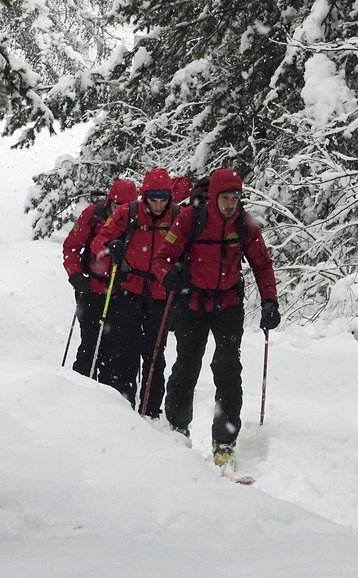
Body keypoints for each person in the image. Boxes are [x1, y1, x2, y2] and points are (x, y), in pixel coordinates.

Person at [151, 168, 281, 467]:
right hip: (192, 303)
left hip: (228, 305)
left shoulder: (244, 225)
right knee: (186, 365)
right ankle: (178, 426)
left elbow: (262, 264)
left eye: (235, 197)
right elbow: (162, 258)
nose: (230, 203)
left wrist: (269, 301)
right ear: (213, 196)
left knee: (227, 369)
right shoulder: (188, 219)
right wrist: (168, 276)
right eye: (225, 197)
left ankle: (225, 440)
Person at [91, 168, 178, 417]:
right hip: (129, 289)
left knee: (154, 354)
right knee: (125, 350)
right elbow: (101, 239)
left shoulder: (177, 217)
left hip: (160, 294)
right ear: (144, 196)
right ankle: (124, 409)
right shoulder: (127, 213)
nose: (159, 205)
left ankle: (150, 411)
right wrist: (111, 245)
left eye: (163, 200)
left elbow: (188, 247)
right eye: (154, 199)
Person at [62, 178, 138, 380]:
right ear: (109, 201)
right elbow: (71, 246)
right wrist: (75, 274)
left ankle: (105, 396)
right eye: (116, 206)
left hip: (121, 291)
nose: (119, 212)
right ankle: (79, 388)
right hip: (90, 287)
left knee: (113, 347)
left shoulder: (135, 219)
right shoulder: (93, 215)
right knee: (89, 342)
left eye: (124, 207)